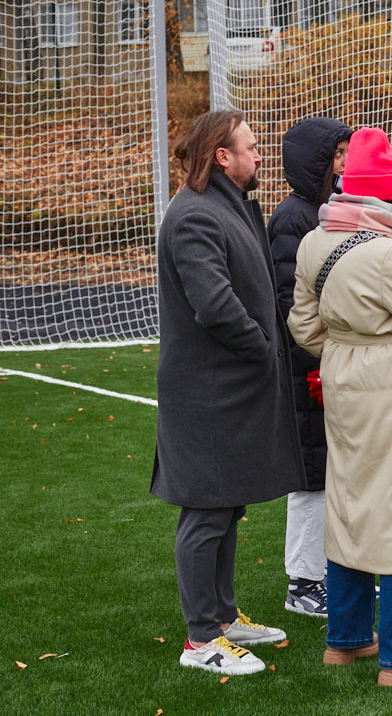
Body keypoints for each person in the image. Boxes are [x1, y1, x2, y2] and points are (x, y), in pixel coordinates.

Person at [288, 127, 392, 686]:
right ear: (388, 193)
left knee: (349, 502)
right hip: (391, 386)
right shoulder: (390, 253)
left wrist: (347, 345)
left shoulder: (316, 240)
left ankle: (347, 639)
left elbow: (303, 326)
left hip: (340, 379)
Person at [154, 109, 307, 675]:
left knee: (227, 505)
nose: (260, 153)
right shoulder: (194, 214)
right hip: (208, 395)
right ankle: (201, 642)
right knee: (206, 511)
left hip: (232, 390)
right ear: (223, 156)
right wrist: (264, 348)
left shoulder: (230, 204)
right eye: (252, 145)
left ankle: (221, 618)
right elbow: (214, 305)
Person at [267, 116, 353, 618]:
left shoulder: (330, 211)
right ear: (316, 163)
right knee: (311, 479)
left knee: (337, 474)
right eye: (337, 156)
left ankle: (337, 574)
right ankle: (303, 582)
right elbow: (292, 304)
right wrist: (317, 360)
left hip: (331, 365)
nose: (344, 165)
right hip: (309, 371)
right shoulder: (293, 218)